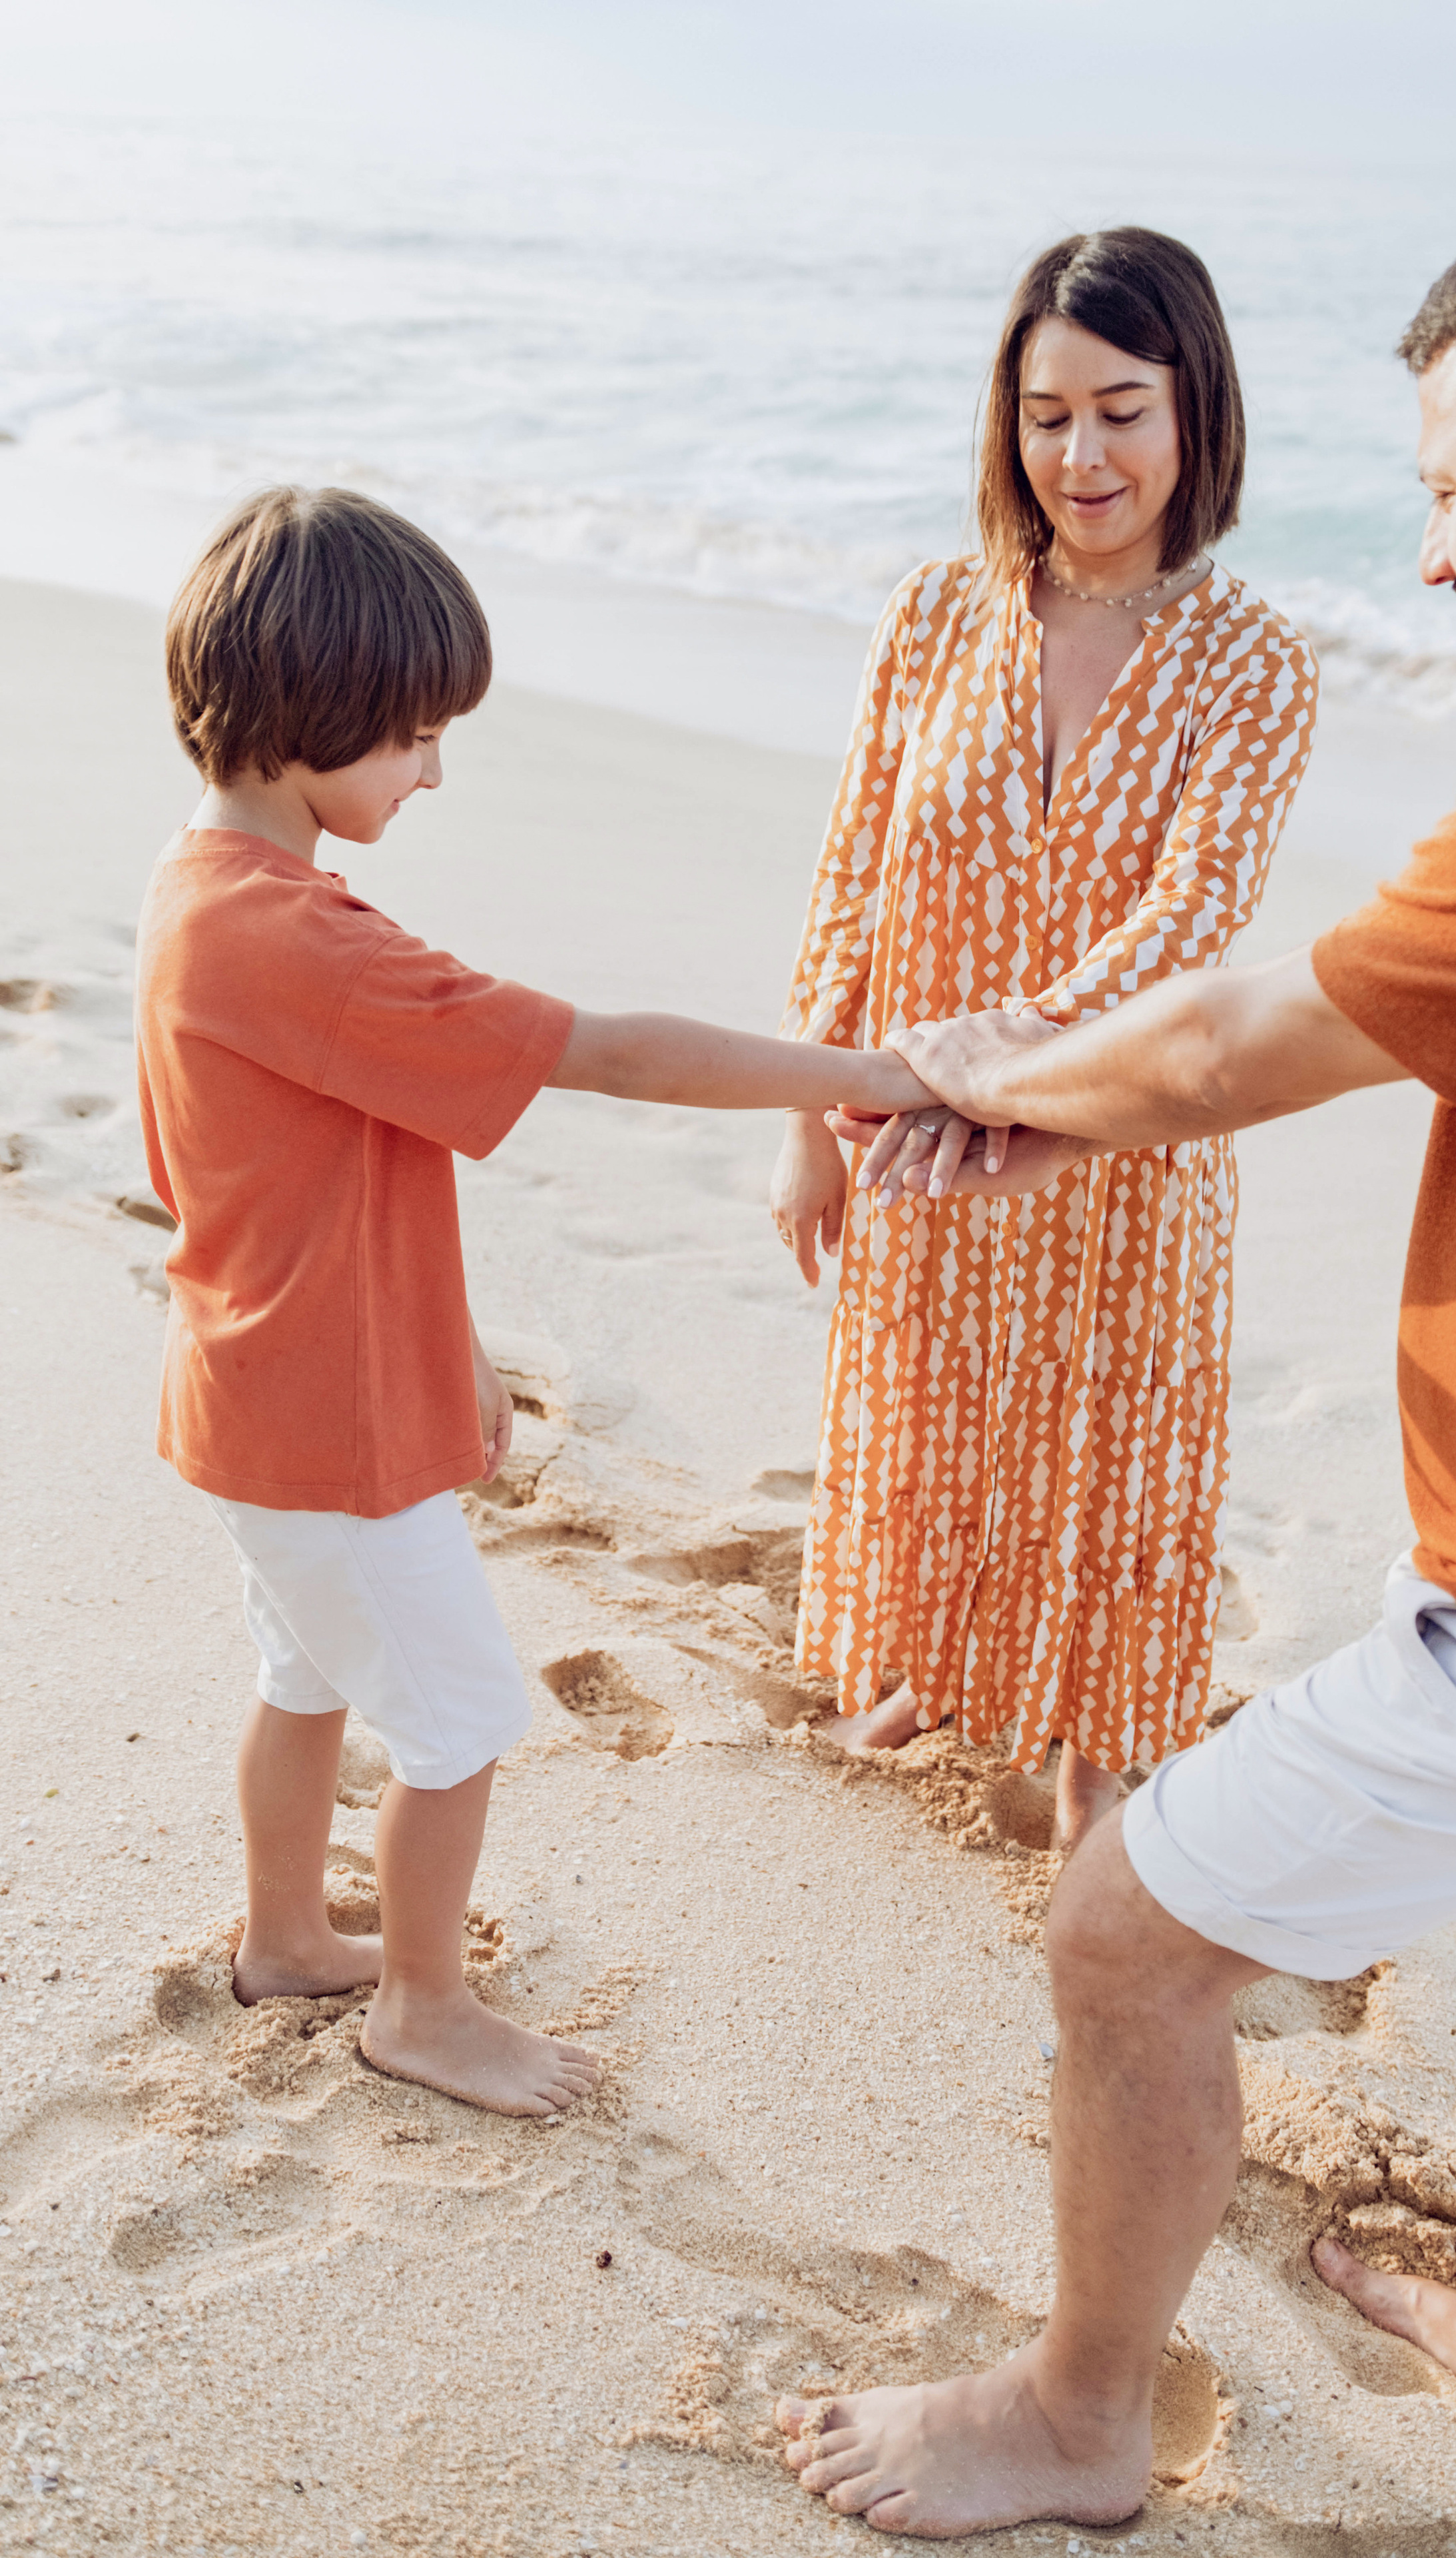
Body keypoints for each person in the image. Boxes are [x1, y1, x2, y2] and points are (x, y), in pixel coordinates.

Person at [775, 160, 1456, 2534]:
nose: (1428, 555)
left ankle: (1078, 2417)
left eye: (1449, 489)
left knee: (1120, 1932)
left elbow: (1221, 1044)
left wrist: (973, 1091)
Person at [141, 484, 932, 2120]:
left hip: (254, 1395)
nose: (434, 769)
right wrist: (876, 1071)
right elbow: (610, 1052)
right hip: (327, 1433)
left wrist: (459, 1355)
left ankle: (289, 1933)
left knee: (302, 1676)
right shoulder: (304, 944)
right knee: (458, 1719)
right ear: (313, 720)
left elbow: (322, 1189)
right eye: (416, 736)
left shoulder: (203, 887)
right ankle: (420, 2009)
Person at [770, 229, 1317, 1846]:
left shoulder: (1253, 661)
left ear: (1192, 408)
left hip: (1120, 1132)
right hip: (905, 1122)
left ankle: (1094, 1748)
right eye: (1045, 412)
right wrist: (805, 1115)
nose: (1080, 455)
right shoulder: (935, 617)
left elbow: (1187, 919)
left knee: (1112, 1436)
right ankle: (930, 1661)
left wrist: (986, 1075)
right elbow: (854, 869)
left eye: (1120, 410)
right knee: (925, 1393)